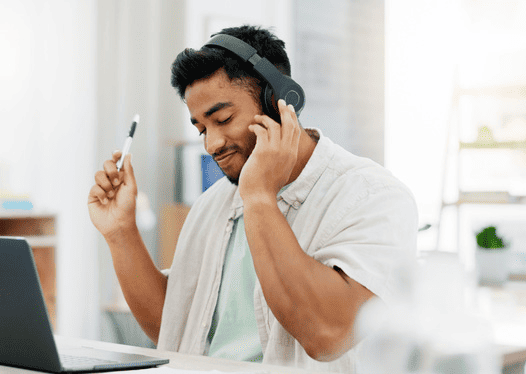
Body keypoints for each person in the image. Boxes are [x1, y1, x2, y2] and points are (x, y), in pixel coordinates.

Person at [88, 25, 418, 373]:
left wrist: (260, 197)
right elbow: (175, 327)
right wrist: (120, 232)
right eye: (201, 129)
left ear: (280, 101)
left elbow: (327, 333)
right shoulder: (211, 205)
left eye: (223, 119)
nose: (211, 144)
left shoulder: (374, 196)